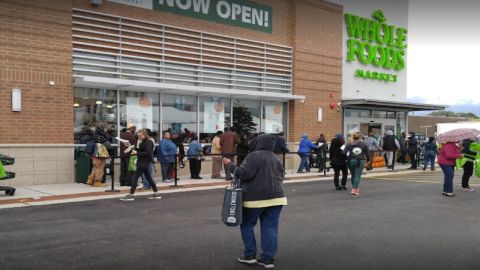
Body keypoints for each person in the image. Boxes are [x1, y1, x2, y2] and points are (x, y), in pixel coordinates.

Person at [223, 134, 287, 269]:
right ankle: (267, 259)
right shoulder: (275, 158)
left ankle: (249, 255)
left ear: (258, 143)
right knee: (270, 227)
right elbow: (281, 176)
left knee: (247, 225)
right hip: (277, 198)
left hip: (254, 198)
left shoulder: (254, 156)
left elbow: (244, 173)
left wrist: (230, 165)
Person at [120, 129, 162, 201]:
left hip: (143, 162)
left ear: (145, 134)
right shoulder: (144, 141)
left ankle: (131, 195)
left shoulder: (148, 142)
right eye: (138, 136)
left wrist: (137, 153)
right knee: (149, 178)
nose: (139, 137)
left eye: (140, 135)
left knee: (135, 178)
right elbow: (142, 150)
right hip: (143, 162)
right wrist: (131, 147)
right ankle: (156, 193)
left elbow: (148, 153)